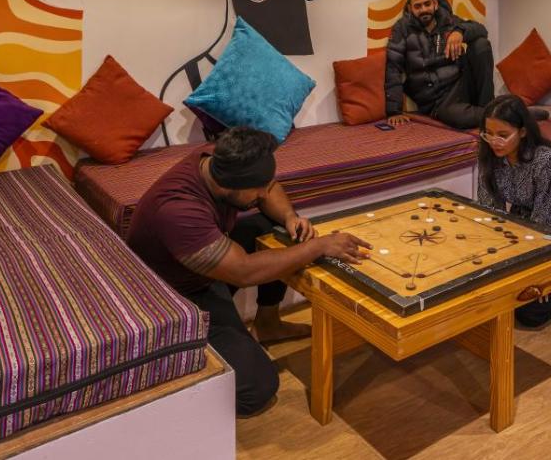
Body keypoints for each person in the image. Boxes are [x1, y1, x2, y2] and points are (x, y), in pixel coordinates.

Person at [126, 127, 370, 416]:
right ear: (231, 186)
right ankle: (178, 381)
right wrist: (318, 246)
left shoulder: (219, 160)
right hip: (175, 299)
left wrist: (290, 216)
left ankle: (268, 324)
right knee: (258, 389)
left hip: (198, 273)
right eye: (258, 190)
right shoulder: (178, 210)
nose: (265, 193)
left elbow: (271, 188)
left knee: (271, 229)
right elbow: (243, 273)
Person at [475, 94, 551, 330]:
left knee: (532, 311)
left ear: (523, 132)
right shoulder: (488, 154)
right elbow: (489, 209)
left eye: (503, 135)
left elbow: (547, 218)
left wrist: (536, 272)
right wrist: (494, 246)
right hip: (521, 222)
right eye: (488, 133)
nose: (494, 141)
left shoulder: (544, 159)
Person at [384, 0, 494, 129]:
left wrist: (460, 32)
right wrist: (394, 111)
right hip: (437, 100)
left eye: (427, 4)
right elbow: (393, 68)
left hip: (462, 84)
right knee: (460, 119)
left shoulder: (448, 20)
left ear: (434, 3)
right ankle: (495, 115)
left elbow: (481, 30)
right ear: (410, 9)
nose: (423, 9)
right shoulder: (401, 29)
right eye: (418, 6)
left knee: (481, 44)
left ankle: (488, 106)